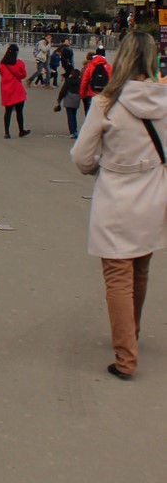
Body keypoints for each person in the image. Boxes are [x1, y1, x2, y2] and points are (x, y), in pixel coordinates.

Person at [71, 30, 167, 379]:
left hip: (116, 199)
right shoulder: (165, 100)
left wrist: (100, 166)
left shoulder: (106, 103)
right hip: (154, 196)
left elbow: (81, 157)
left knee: (117, 275)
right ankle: (132, 333)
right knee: (140, 268)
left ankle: (126, 357)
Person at [0, 43, 31, 138]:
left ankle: (7, 132)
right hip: (17, 88)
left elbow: (2, 74)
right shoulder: (19, 63)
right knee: (19, 111)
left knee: (7, 111)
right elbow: (23, 75)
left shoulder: (2, 64)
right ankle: (21, 130)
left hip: (6, 89)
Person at [79, 46, 111, 114]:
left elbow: (84, 81)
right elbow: (111, 82)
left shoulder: (90, 66)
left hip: (91, 94)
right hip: (104, 95)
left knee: (89, 114)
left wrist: (82, 94)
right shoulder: (108, 67)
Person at [54, 67, 82, 138]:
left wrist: (59, 99)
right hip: (76, 99)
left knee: (70, 116)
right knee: (74, 115)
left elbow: (63, 91)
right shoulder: (80, 81)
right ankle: (75, 130)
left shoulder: (69, 80)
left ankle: (72, 132)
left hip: (68, 99)